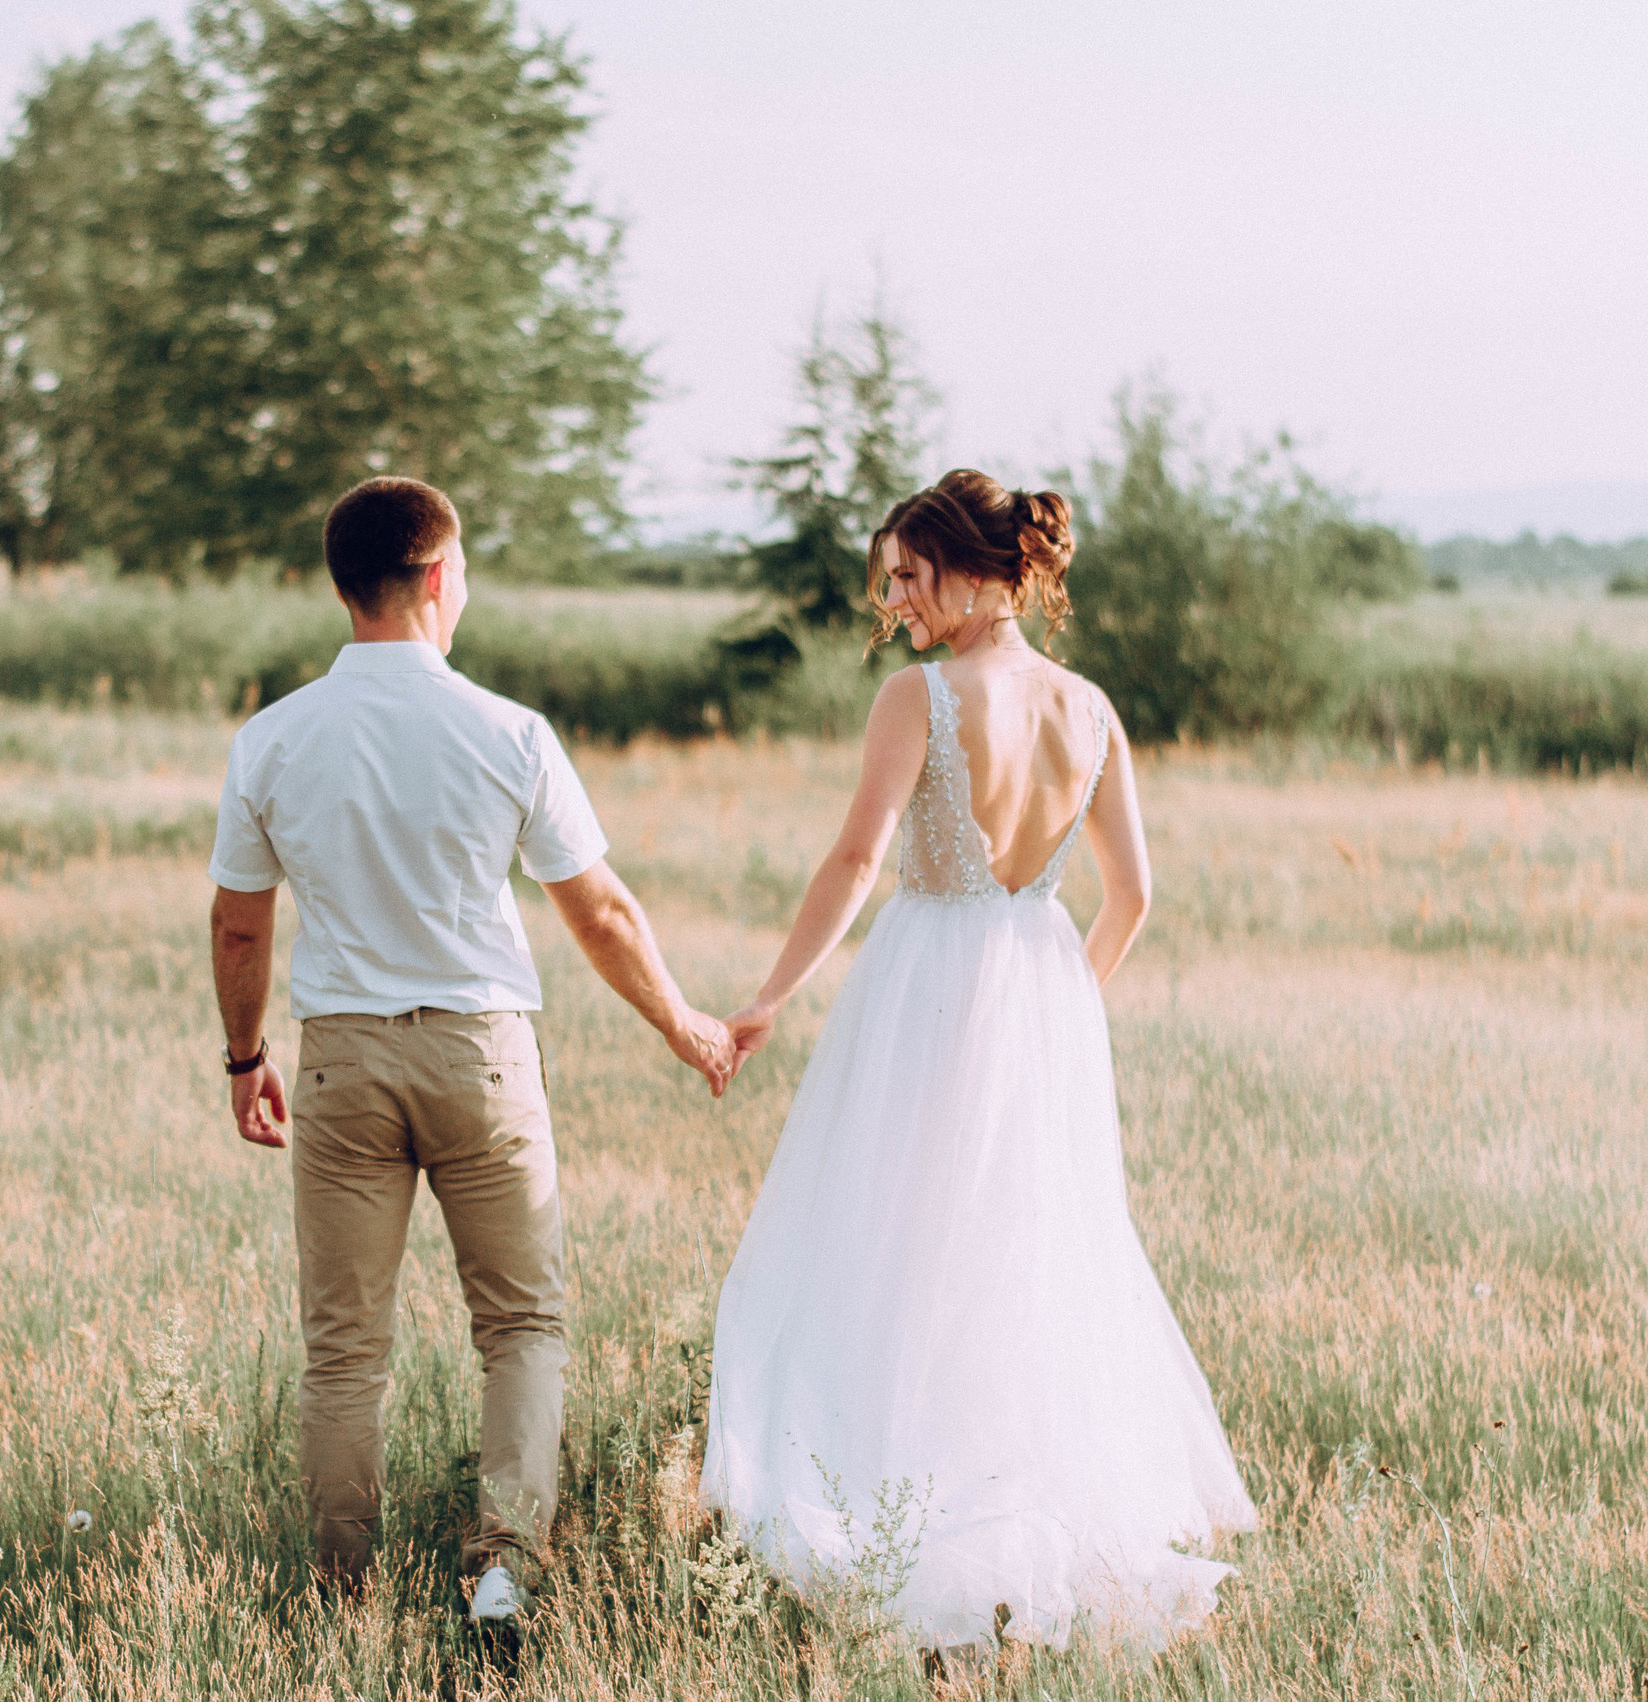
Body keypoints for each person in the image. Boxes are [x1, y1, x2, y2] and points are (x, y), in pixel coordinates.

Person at [700, 470, 1257, 1671]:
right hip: (1038, 994)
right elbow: (1133, 895)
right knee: (1021, 1258)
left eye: (909, 576)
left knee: (890, 1252)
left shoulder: (920, 696)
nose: (893, 601)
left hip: (924, 989)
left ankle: (910, 1528)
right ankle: (1014, 1526)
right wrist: (1049, 1009)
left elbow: (855, 861)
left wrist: (766, 999)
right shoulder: (1089, 708)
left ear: (974, 571)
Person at [208, 476, 737, 1625]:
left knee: (343, 1348)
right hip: (482, 1059)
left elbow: (239, 924)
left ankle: (341, 1590)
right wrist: (681, 1021)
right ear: (441, 577)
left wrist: (245, 1061)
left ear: (343, 587)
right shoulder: (509, 732)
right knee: (522, 1326)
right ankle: (504, 1567)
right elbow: (601, 912)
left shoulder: (272, 738)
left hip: (341, 1061)